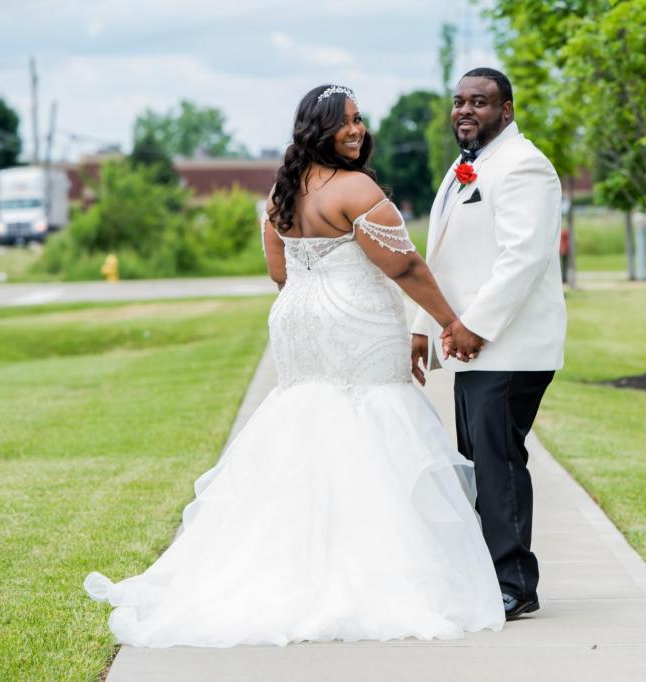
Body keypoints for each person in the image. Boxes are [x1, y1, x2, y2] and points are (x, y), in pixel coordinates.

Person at [83, 84, 505, 647]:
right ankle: (372, 571)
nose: (356, 130)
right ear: (318, 130)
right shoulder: (357, 189)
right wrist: (451, 323)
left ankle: (293, 566)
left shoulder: (282, 191)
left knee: (308, 419)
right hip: (355, 318)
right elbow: (404, 267)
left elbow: (279, 274)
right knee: (372, 422)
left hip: (297, 320)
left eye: (358, 119)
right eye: (344, 122)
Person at [411, 68, 567, 620]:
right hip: (475, 347)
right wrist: (424, 327)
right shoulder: (464, 167)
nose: (465, 110)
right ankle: (492, 575)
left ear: (506, 109)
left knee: (498, 463)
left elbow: (523, 258)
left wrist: (474, 326)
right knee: (482, 459)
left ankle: (515, 584)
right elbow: (443, 258)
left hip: (511, 345)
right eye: (459, 101)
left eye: (479, 102)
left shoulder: (524, 165)